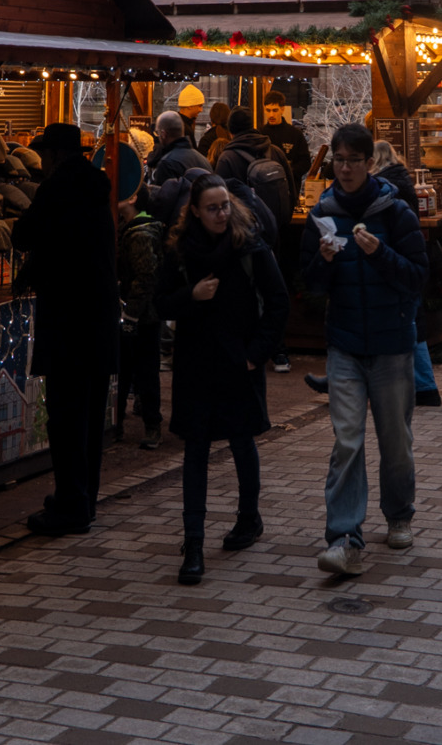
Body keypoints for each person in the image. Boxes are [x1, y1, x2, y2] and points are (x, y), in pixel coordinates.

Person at [299, 122, 428, 576]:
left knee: (396, 442)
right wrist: (323, 262)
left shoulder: (396, 212)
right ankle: (344, 537)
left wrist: (380, 254)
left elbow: (418, 277)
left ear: (369, 163)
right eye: (339, 160)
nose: (345, 168)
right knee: (347, 442)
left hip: (392, 344)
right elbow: (309, 285)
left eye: (354, 160)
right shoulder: (323, 212)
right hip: (346, 344)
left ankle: (399, 514)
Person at [158, 170, 289, 584]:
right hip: (196, 364)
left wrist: (256, 354)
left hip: (237, 363)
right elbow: (160, 303)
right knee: (195, 449)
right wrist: (191, 296)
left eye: (225, 206)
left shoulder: (248, 245)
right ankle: (193, 542)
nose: (221, 214)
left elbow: (278, 301)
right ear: (194, 211)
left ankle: (249, 518)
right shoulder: (181, 251)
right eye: (212, 208)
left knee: (241, 440)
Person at [10, 122, 119, 535]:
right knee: (88, 416)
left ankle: (71, 507)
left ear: (53, 155)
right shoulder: (96, 189)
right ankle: (83, 498)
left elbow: (25, 235)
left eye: (43, 154)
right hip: (98, 319)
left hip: (68, 320)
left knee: (66, 417)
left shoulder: (56, 190)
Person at [369, 142, 440, 408]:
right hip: (406, 259)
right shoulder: (401, 180)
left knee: (408, 322)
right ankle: (424, 386)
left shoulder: (386, 187)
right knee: (412, 321)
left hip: (395, 261)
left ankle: (419, 386)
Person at [116, 193, 168, 449]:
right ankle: (121, 424)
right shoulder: (131, 228)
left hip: (143, 316)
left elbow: (145, 277)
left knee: (142, 370)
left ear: (132, 198)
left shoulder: (140, 233)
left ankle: (151, 426)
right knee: (130, 370)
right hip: (141, 313)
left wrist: (131, 315)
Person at [149, 109, 211, 187]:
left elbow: (165, 193)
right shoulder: (204, 161)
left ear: (163, 134)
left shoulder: (167, 164)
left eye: (157, 133)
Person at [261, 96, 315, 185]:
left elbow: (305, 162)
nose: (271, 115)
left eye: (275, 110)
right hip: (266, 185)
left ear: (282, 109)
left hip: (290, 186)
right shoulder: (260, 134)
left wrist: (289, 172)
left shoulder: (295, 134)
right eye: (268, 110)